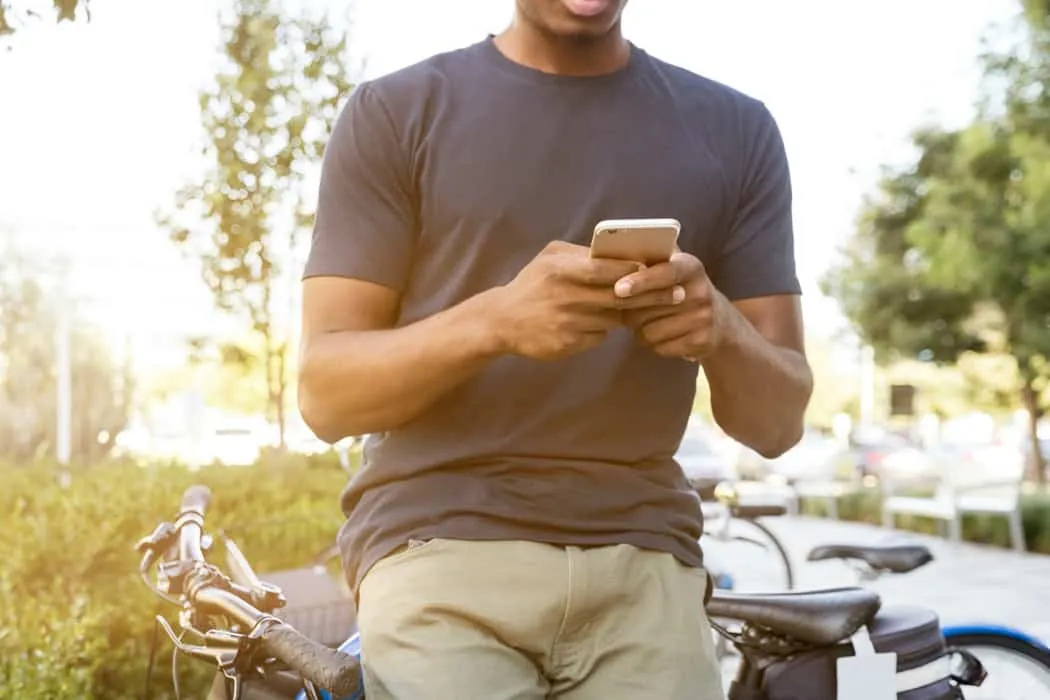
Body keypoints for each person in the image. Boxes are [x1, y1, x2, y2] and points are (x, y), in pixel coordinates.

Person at [297, 0, 813, 697]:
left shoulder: (737, 130)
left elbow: (777, 426)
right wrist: (496, 322)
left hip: (646, 565)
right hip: (441, 550)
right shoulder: (394, 113)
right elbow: (325, 393)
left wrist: (719, 330)